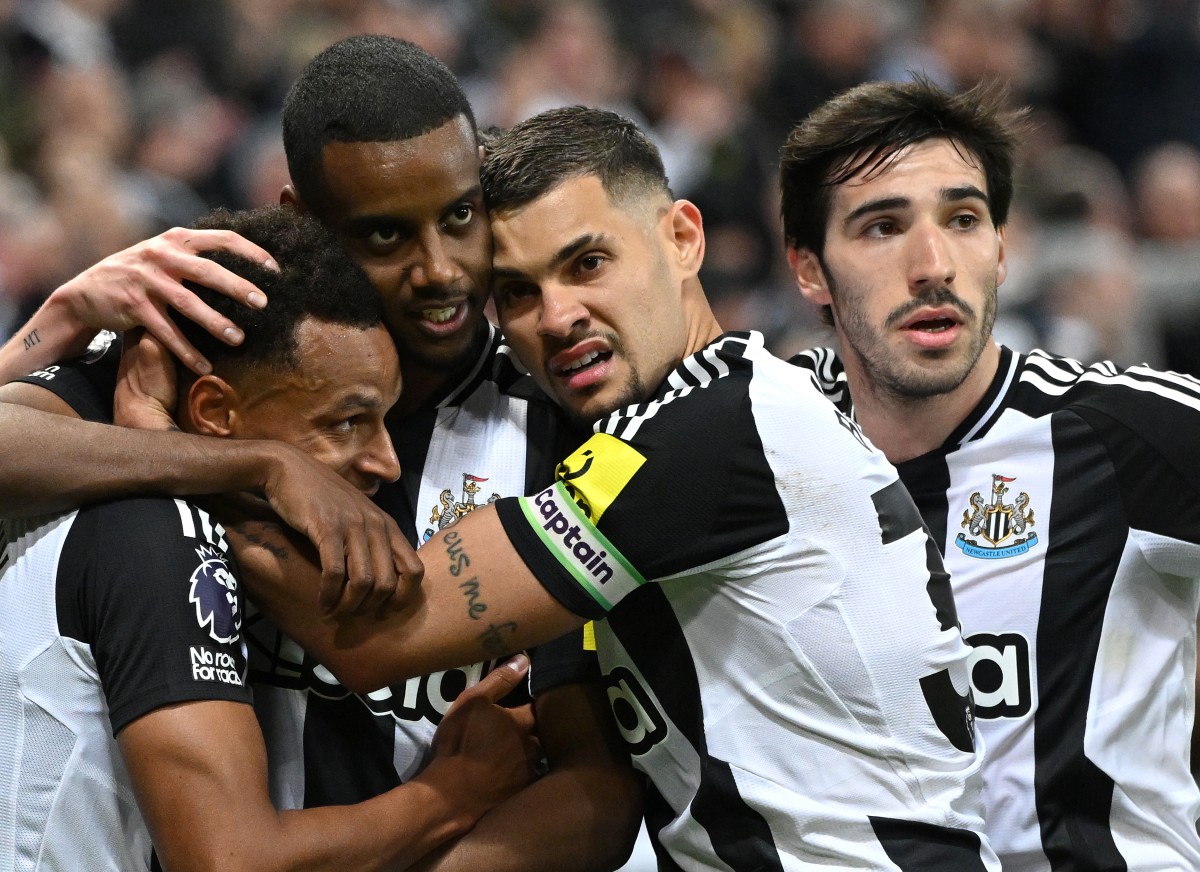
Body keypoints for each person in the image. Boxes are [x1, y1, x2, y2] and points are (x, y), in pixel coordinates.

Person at [233, 104, 1001, 870]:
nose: (559, 316)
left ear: (683, 239)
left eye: (587, 264)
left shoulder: (706, 435)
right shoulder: (730, 408)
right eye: (518, 293)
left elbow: (374, 637)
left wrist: (218, 458)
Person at [0, 35, 641, 872]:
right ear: (303, 220)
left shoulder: (554, 425)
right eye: (385, 237)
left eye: (459, 216)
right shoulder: (208, 344)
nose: (441, 272)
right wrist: (255, 463)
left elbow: (594, 788)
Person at [0, 203, 541, 870]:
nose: (386, 461)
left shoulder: (139, 458)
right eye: (347, 422)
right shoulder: (156, 525)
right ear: (215, 413)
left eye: (386, 420)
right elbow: (231, 861)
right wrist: (457, 791)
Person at [779, 76, 1200, 868]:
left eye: (964, 219)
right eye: (881, 227)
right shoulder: (768, 450)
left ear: (1003, 249)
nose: (933, 263)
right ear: (808, 270)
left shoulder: (1117, 433)